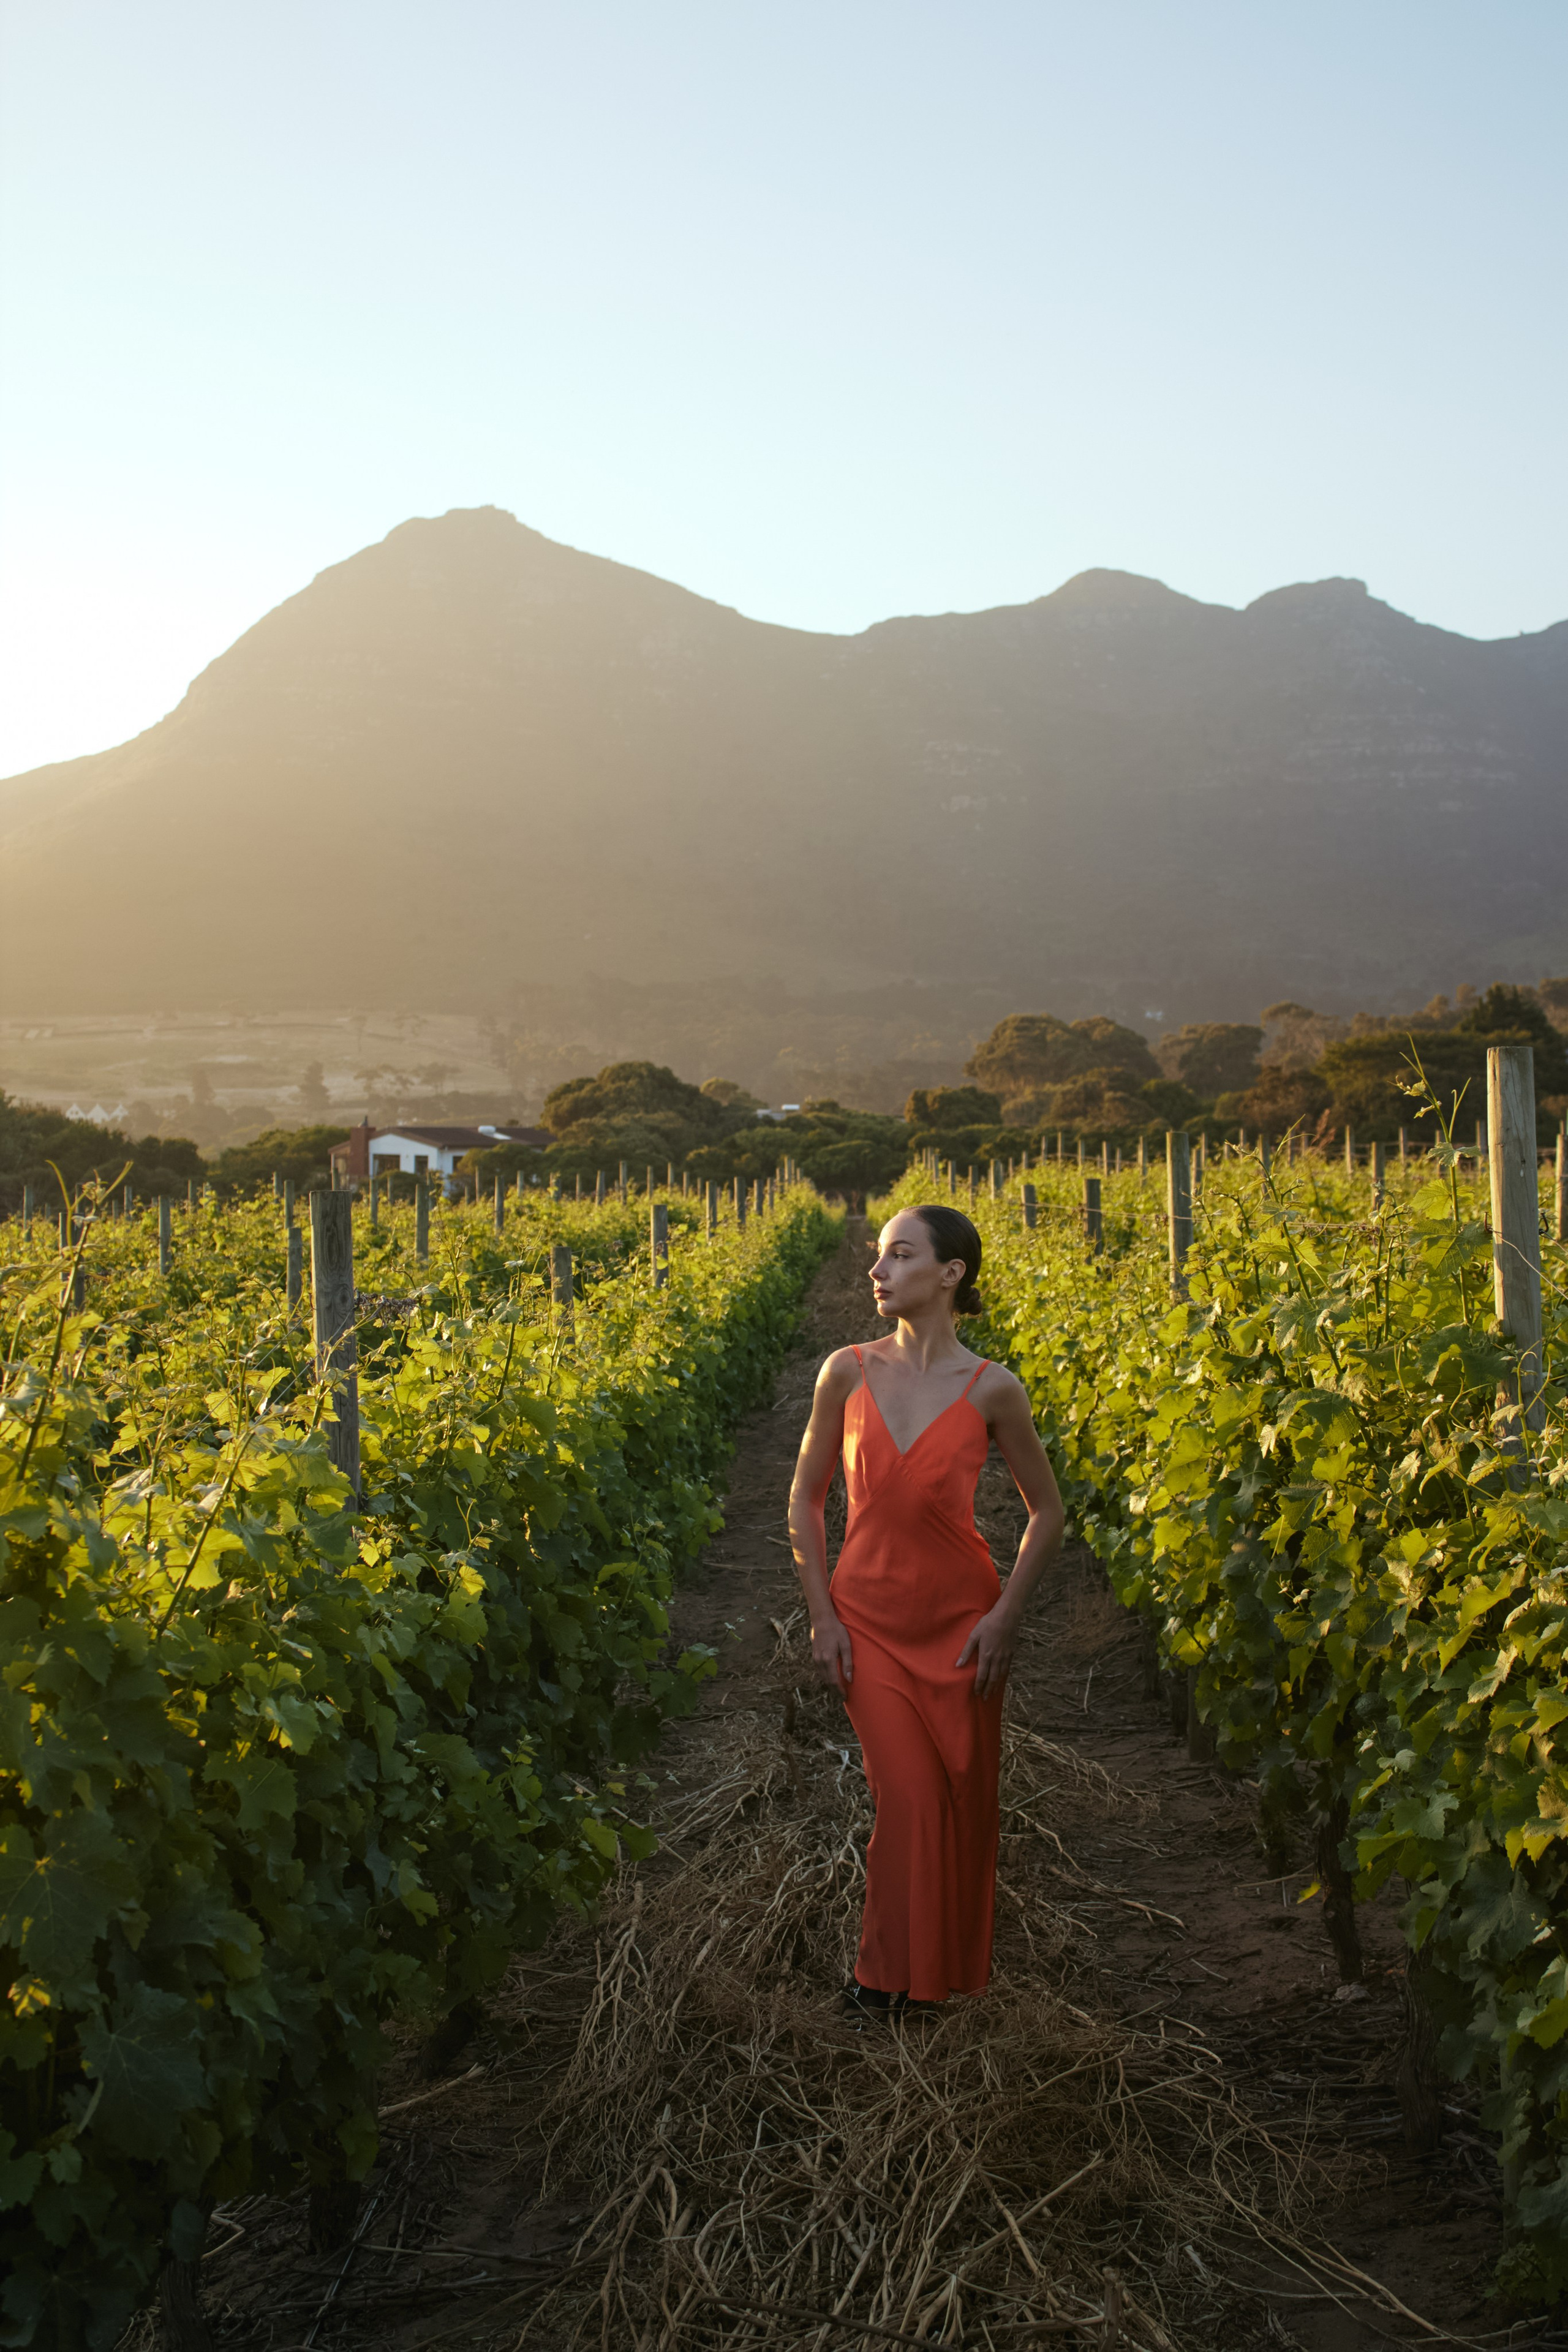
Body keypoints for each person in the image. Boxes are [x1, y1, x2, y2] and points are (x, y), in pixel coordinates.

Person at [786, 1204, 1064, 2019]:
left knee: (961, 1800)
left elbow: (1047, 1512)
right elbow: (804, 1501)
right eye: (878, 1257)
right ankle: (880, 1982)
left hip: (962, 1628)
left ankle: (935, 1980)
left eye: (899, 1256)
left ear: (951, 1274)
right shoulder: (845, 1370)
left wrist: (1007, 1616)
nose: (877, 1271)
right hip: (867, 1622)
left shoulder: (993, 1390)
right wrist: (822, 1617)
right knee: (906, 1795)